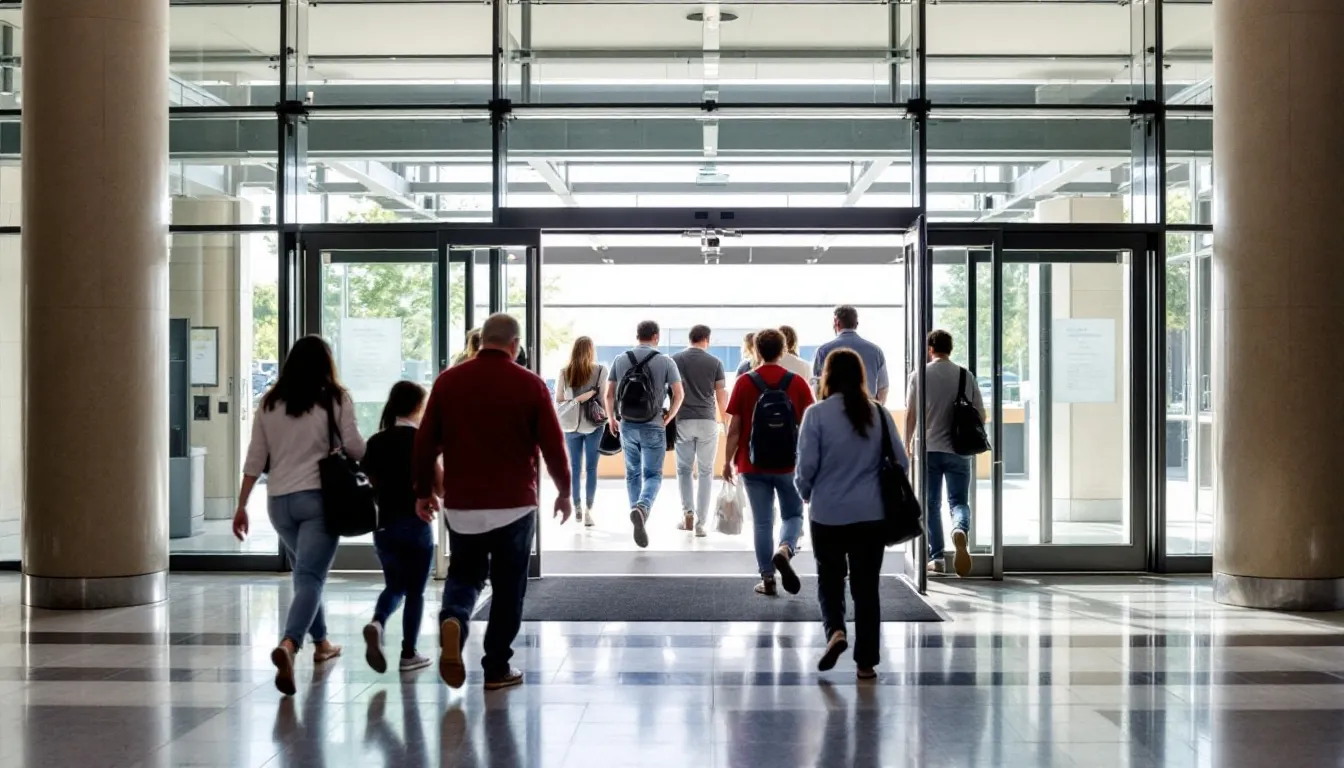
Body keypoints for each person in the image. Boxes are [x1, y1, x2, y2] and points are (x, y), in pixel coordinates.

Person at [413, 313, 572, 691]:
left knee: (464, 574)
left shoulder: (448, 382)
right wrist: (565, 491)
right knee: (508, 587)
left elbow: (424, 443)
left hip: (462, 502)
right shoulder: (530, 384)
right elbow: (553, 445)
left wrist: (422, 491)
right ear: (515, 345)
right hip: (514, 503)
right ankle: (496, 667)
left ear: (482, 340)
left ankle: (454, 617)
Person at [234, 335, 364, 696]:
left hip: (278, 504)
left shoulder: (270, 402)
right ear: (326, 363)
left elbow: (255, 458)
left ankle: (322, 643)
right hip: (318, 501)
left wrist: (241, 505)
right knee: (310, 575)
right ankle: (290, 644)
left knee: (306, 574)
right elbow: (355, 446)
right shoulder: (335, 398)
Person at [795, 350, 909, 680]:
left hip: (827, 514)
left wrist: (805, 494)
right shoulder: (879, 413)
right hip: (871, 515)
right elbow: (901, 461)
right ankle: (866, 663)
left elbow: (806, 467)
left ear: (827, 376)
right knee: (866, 587)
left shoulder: (816, 414)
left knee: (830, 580)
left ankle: (835, 632)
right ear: (861, 375)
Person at [723, 329, 815, 596]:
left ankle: (768, 579)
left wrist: (727, 461)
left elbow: (735, 428)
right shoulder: (797, 382)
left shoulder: (744, 382)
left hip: (753, 464)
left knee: (762, 522)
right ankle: (785, 548)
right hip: (790, 464)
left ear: (756, 351)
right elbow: (809, 428)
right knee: (794, 514)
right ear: (783, 350)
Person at [361, 381, 436, 675]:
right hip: (417, 524)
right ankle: (408, 653)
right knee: (415, 591)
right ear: (418, 407)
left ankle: (378, 622)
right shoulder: (422, 441)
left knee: (395, 586)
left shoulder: (376, 441)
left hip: (384, 525)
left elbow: (368, 483)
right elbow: (437, 484)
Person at [905, 329, 984, 578]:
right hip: (959, 450)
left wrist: (907, 443)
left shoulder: (919, 375)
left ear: (930, 349)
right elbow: (980, 413)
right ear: (950, 348)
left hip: (929, 448)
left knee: (930, 504)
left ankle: (937, 558)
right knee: (958, 501)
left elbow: (910, 414)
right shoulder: (965, 375)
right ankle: (960, 529)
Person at [605, 320, 685, 548]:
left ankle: (637, 512)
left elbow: (609, 394)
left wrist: (612, 418)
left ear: (637, 335)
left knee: (632, 474)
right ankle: (642, 507)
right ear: (656, 337)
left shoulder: (621, 359)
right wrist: (668, 418)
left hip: (627, 425)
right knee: (652, 474)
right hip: (653, 425)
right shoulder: (665, 361)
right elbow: (679, 394)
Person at [672, 324, 728, 537]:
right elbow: (721, 396)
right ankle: (701, 523)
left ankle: (688, 513)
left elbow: (669, 391)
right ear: (706, 339)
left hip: (682, 420)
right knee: (705, 472)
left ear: (690, 338)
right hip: (707, 421)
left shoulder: (675, 360)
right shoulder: (715, 362)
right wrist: (725, 422)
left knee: (684, 470)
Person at [556, 336, 607, 527]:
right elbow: (603, 400)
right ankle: (588, 511)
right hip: (594, 425)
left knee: (575, 469)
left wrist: (575, 400)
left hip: (571, 425)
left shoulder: (565, 371)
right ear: (591, 350)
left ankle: (576, 506)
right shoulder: (601, 370)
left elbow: (559, 400)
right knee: (592, 469)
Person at [812, 306, 890, 404]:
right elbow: (883, 388)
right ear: (856, 324)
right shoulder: (876, 352)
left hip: (833, 411)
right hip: (866, 411)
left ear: (836, 322)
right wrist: (876, 412)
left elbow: (818, 388)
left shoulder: (823, 351)